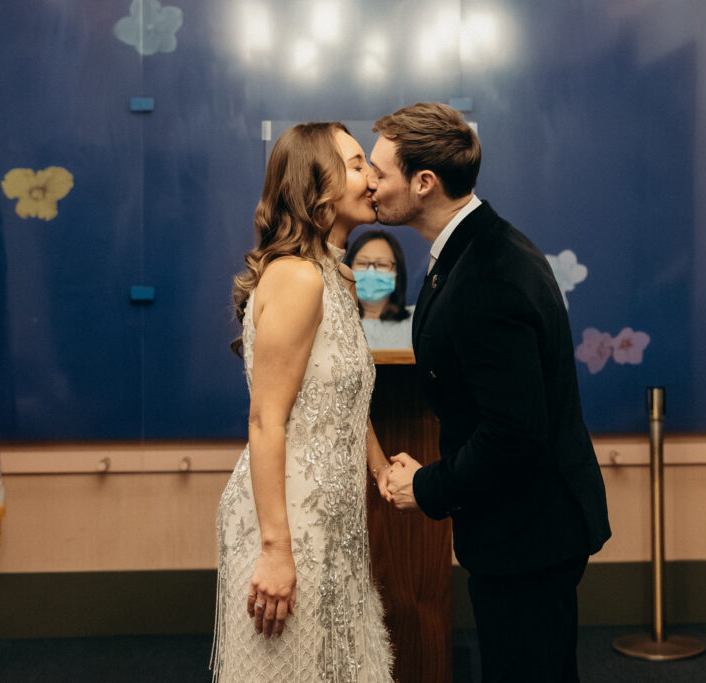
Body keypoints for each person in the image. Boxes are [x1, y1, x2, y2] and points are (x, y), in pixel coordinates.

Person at [371, 103, 611, 683]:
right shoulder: (470, 250)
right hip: (518, 524)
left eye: (379, 173)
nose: (370, 185)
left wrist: (424, 486)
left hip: (530, 532)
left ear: (423, 183)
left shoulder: (489, 275)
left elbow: (514, 434)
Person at [212, 122, 394, 682]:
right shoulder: (297, 279)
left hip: (337, 523)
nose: (372, 177)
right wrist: (275, 550)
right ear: (318, 182)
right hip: (287, 523)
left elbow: (340, 394)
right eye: (358, 163)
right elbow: (266, 420)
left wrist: (382, 469)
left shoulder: (336, 276)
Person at [344, 230, 414, 349]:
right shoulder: (334, 321)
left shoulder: (416, 321)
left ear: (398, 273)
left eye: (382, 265)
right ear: (348, 268)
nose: (371, 272)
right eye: (362, 263)